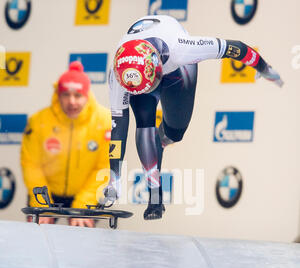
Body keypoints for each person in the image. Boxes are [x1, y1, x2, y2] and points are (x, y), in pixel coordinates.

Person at [105, 15, 283, 220]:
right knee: (143, 124)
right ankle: (155, 198)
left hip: (177, 69)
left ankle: (161, 138)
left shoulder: (182, 48)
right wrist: (114, 179)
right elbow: (118, 128)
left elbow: (237, 48)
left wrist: (263, 68)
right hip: (141, 71)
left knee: (175, 131)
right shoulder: (119, 75)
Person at [21, 61, 111, 227]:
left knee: (81, 241)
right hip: (46, 192)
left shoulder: (105, 121)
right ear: (58, 94)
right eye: (66, 95)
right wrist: (41, 204)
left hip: (86, 193)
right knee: (36, 240)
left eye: (78, 95)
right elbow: (32, 165)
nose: (72, 102)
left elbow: (104, 168)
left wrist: (83, 206)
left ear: (87, 95)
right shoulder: (38, 122)